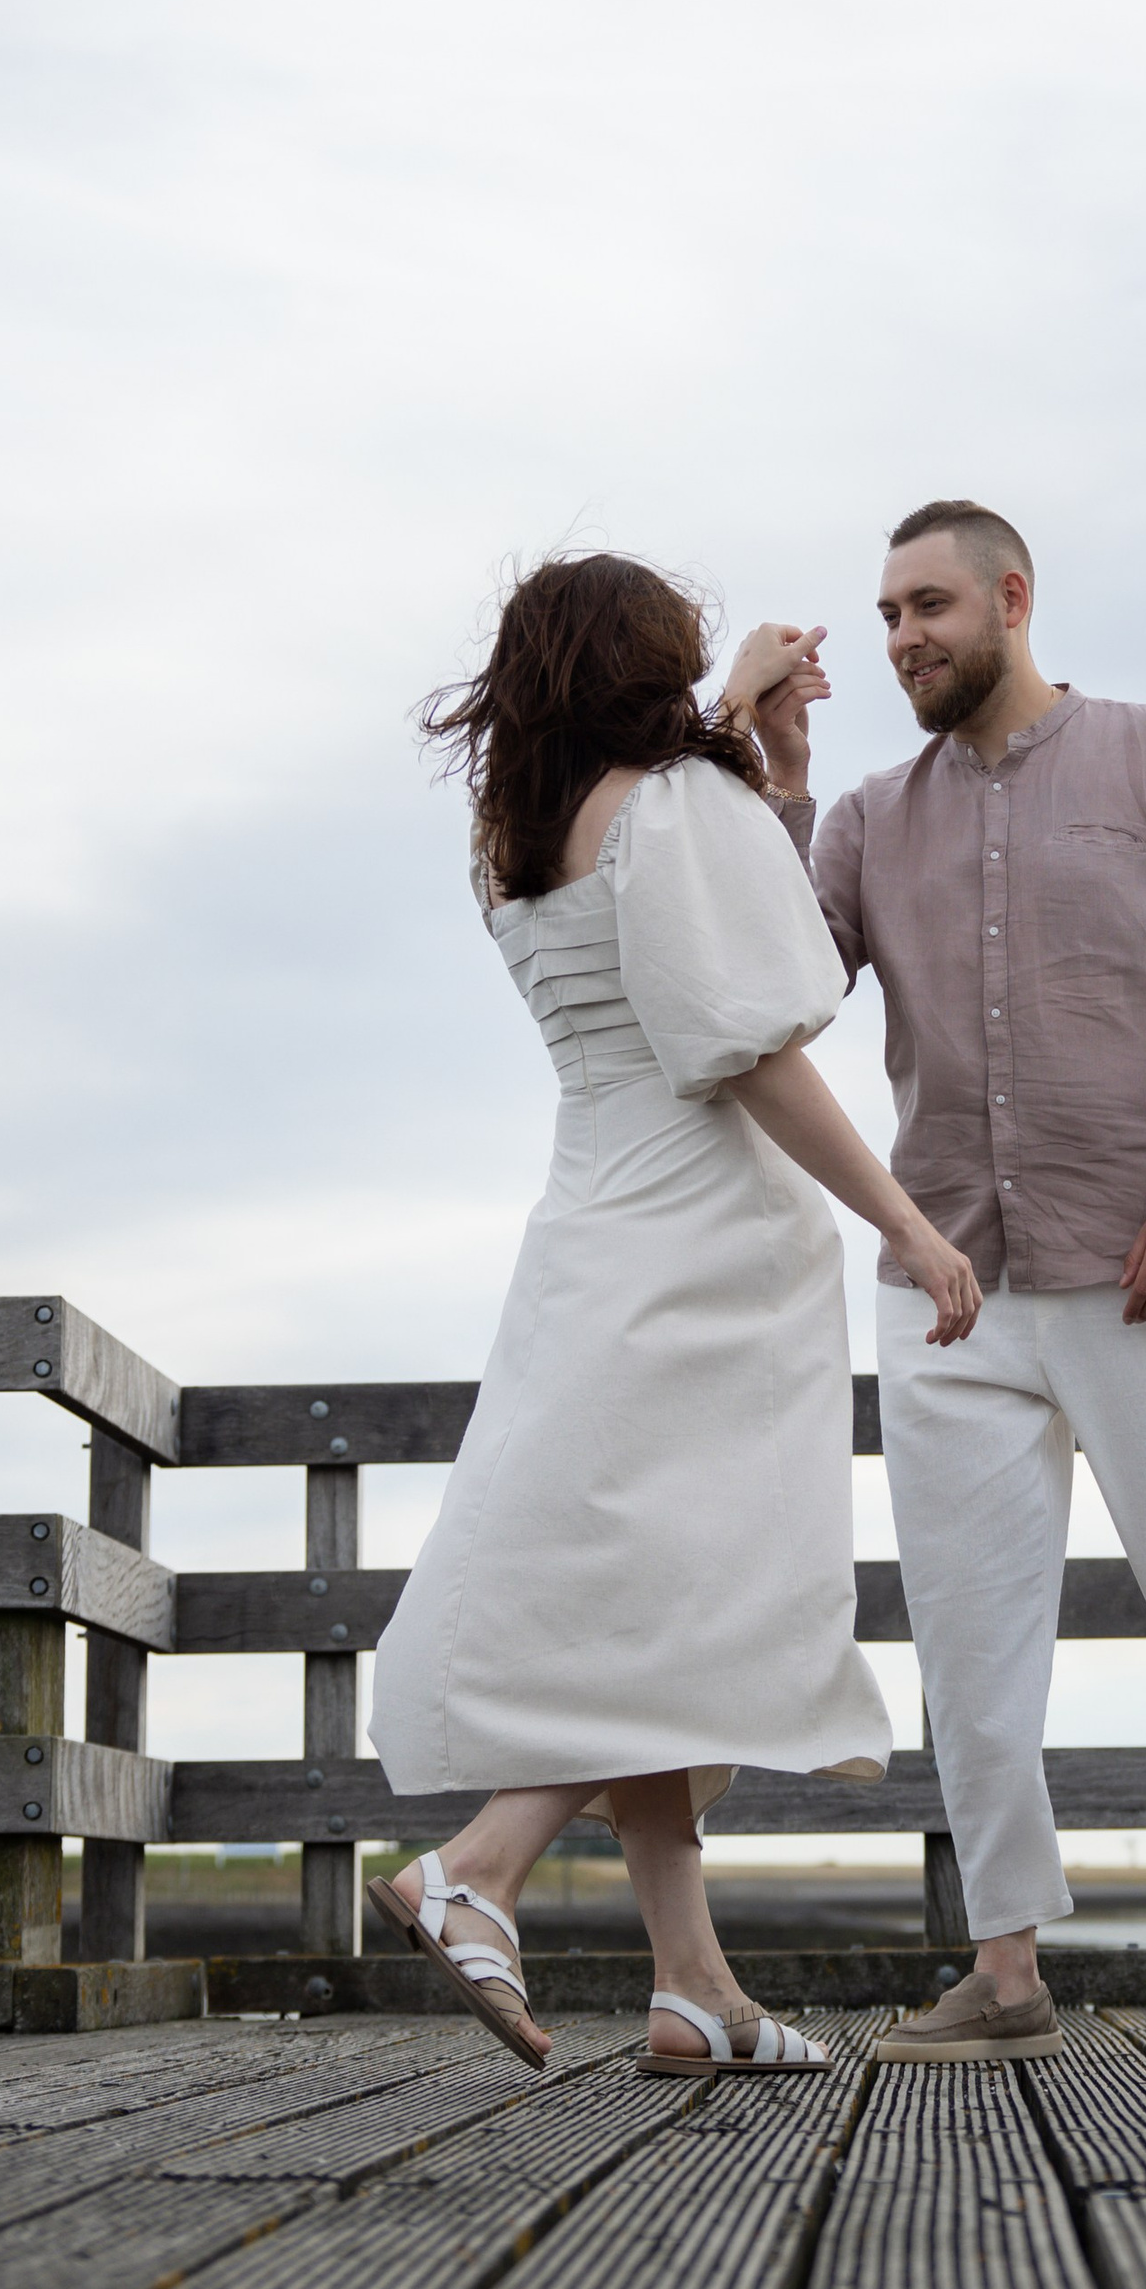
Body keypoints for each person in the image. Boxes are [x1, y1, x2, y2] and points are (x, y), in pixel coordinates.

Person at [724, 501, 1146, 2064]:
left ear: (1011, 599)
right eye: (886, 615)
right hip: (949, 1286)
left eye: (928, 607)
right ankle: (1009, 1972)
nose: (902, 639)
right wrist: (777, 774)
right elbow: (772, 979)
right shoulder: (861, 821)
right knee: (971, 1639)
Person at [368, 552, 981, 2074]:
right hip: (707, 1248)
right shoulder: (666, 805)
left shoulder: (514, 837)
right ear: (643, 660)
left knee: (654, 1601)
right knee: (690, 1603)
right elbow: (751, 1038)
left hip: (594, 1226)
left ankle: (693, 1986)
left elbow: (695, 931)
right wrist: (905, 1217)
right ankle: (480, 1868)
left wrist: (765, 758)